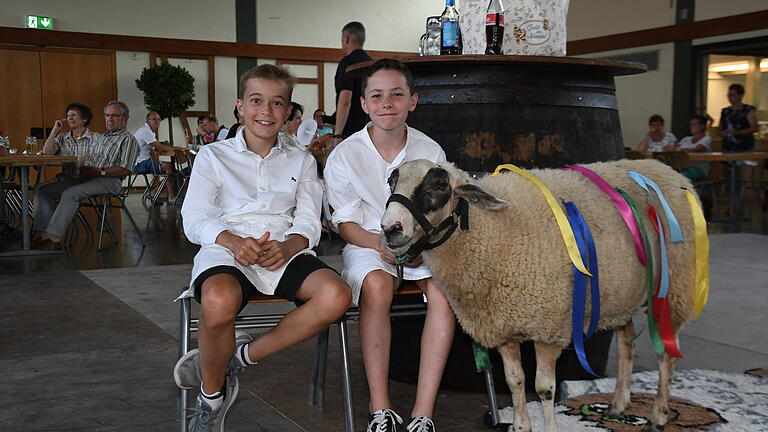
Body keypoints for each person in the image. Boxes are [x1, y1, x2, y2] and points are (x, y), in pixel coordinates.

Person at [173, 64, 352, 431]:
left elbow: (307, 220)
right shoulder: (213, 156)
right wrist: (232, 241)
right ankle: (212, 396)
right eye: (256, 101)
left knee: (336, 296)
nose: (265, 112)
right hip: (227, 246)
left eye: (276, 104)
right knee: (218, 300)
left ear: (288, 112)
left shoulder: (301, 159)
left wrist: (290, 246)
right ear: (240, 107)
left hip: (281, 250)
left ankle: (241, 356)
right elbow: (195, 216)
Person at [324, 59, 455, 432]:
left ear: (412, 101)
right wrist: (379, 244)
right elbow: (346, 224)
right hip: (367, 242)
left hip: (422, 242)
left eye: (397, 95)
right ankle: (379, 406)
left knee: (445, 293)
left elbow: (439, 214)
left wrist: (414, 244)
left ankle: (422, 412)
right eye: (377, 96)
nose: (387, 103)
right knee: (378, 287)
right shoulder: (345, 155)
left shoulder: (430, 150)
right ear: (363, 104)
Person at [32, 101, 139, 250]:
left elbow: (126, 169)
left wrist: (99, 171)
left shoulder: (129, 140)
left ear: (125, 119)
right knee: (45, 190)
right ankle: (41, 233)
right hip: (89, 177)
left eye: (114, 116)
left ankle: (52, 238)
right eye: (107, 115)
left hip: (109, 180)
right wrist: (84, 164)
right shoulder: (103, 137)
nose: (110, 119)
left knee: (70, 193)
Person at [332, 21, 372, 143]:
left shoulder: (347, 63)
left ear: (346, 37)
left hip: (351, 132)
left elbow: (345, 100)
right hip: (372, 129)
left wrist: (338, 134)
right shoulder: (372, 64)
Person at [41, 102, 100, 179]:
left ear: (85, 119)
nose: (70, 118)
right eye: (68, 115)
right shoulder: (62, 137)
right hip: (65, 179)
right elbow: (46, 153)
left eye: (74, 114)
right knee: (40, 188)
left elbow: (98, 161)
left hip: (86, 180)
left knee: (44, 190)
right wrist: (55, 130)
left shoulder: (96, 138)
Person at [133, 111, 176, 202]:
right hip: (140, 164)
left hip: (142, 162)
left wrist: (163, 146)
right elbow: (159, 148)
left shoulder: (149, 132)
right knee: (169, 167)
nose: (157, 121)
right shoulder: (145, 131)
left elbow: (157, 148)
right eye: (154, 119)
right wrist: (171, 147)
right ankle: (171, 196)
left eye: (158, 119)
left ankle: (155, 191)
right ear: (147, 120)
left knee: (173, 170)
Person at [718, 83, 757, 152]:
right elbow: (720, 128)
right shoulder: (725, 111)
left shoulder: (748, 110)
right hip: (728, 145)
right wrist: (722, 133)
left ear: (740, 95)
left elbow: (754, 128)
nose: (730, 98)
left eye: (732, 95)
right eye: (728, 95)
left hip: (744, 145)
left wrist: (737, 132)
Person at [673, 114, 713, 180]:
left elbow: (697, 149)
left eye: (693, 125)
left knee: (679, 176)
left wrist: (678, 149)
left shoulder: (707, 139)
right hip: (683, 168)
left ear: (702, 126)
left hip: (699, 170)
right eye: (690, 125)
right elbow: (674, 148)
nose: (691, 127)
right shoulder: (686, 139)